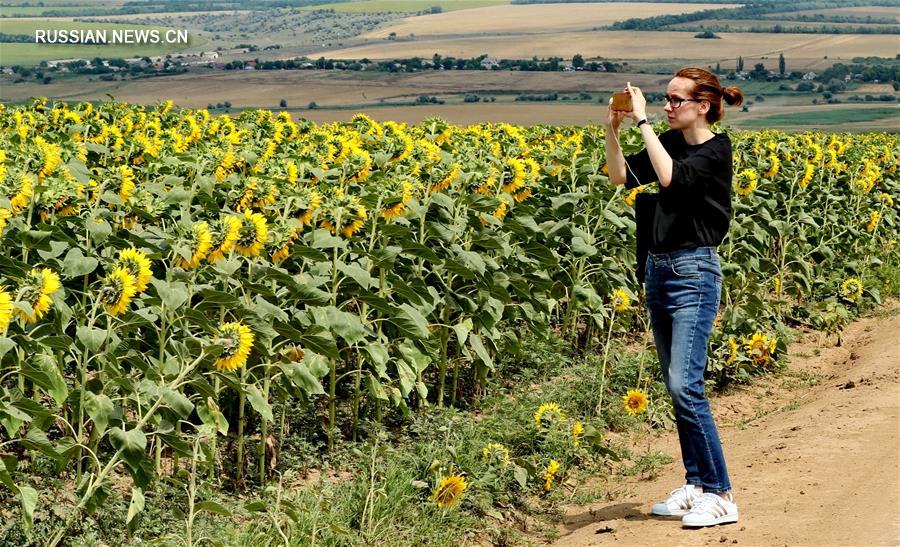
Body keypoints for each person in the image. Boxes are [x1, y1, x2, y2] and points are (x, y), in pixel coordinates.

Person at [604, 68, 744, 528]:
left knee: (687, 386)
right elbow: (620, 177)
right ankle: (696, 484)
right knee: (675, 387)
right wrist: (614, 129)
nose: (668, 107)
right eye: (664, 100)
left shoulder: (714, 150)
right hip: (658, 270)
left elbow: (669, 179)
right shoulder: (670, 141)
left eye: (676, 100)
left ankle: (721, 494)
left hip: (694, 272)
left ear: (703, 106)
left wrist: (644, 124)